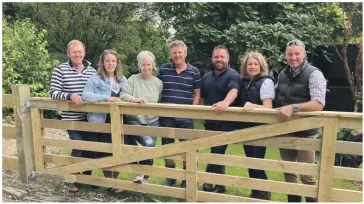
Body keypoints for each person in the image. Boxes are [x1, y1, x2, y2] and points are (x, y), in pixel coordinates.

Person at [275, 39, 327, 202]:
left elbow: (318, 104)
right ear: (286, 56)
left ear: (304, 54)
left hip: (306, 132)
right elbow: (276, 100)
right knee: (289, 172)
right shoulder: (282, 75)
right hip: (284, 130)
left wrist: (294, 108)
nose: (293, 57)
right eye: (290, 54)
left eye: (297, 53)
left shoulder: (314, 73)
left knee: (307, 175)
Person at [82, 49, 135, 192]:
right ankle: (111, 182)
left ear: (117, 63)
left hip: (118, 120)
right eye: (107, 61)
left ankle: (114, 181)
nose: (110, 64)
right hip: (101, 120)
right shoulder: (95, 78)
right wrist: (106, 98)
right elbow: (86, 95)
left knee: (120, 150)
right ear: (102, 62)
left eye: (113, 61)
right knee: (103, 151)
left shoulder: (123, 79)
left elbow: (128, 95)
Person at [49, 40, 96, 192]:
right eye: (74, 52)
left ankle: (86, 178)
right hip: (71, 118)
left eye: (80, 52)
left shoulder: (92, 71)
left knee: (90, 148)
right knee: (78, 146)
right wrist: (70, 96)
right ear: (68, 53)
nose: (78, 55)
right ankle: (74, 180)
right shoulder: (60, 69)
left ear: (84, 53)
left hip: (90, 118)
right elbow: (53, 92)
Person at [158, 40, 201, 188]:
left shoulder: (194, 71)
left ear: (185, 53)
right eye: (174, 52)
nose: (177, 55)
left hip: (185, 116)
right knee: (167, 147)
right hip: (166, 115)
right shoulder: (163, 69)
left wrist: (192, 111)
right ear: (171, 54)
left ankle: (186, 178)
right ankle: (170, 176)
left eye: (180, 52)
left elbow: (197, 94)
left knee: (187, 148)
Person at [200, 45, 241, 193]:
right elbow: (202, 98)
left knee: (218, 151)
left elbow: (234, 91)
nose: (219, 60)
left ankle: (216, 183)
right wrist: (201, 114)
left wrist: (225, 102)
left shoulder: (233, 75)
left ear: (228, 59)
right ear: (212, 58)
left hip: (226, 122)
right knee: (216, 151)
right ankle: (214, 182)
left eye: (222, 57)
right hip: (209, 122)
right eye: (216, 57)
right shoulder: (206, 77)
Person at [235, 52, 275, 200]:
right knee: (250, 161)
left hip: (260, 129)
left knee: (256, 161)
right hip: (246, 128)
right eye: (249, 64)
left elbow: (268, 108)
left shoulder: (266, 82)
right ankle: (256, 192)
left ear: (261, 66)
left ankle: (264, 193)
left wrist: (252, 105)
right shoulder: (245, 82)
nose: (252, 67)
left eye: (255, 64)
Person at [120, 51, 163, 184]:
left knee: (148, 149)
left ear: (153, 65)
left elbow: (159, 101)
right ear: (140, 66)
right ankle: (140, 172)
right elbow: (123, 95)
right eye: (143, 65)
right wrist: (135, 99)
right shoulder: (133, 79)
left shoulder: (159, 83)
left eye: (149, 64)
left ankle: (143, 178)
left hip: (153, 120)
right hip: (135, 120)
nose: (146, 67)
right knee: (149, 145)